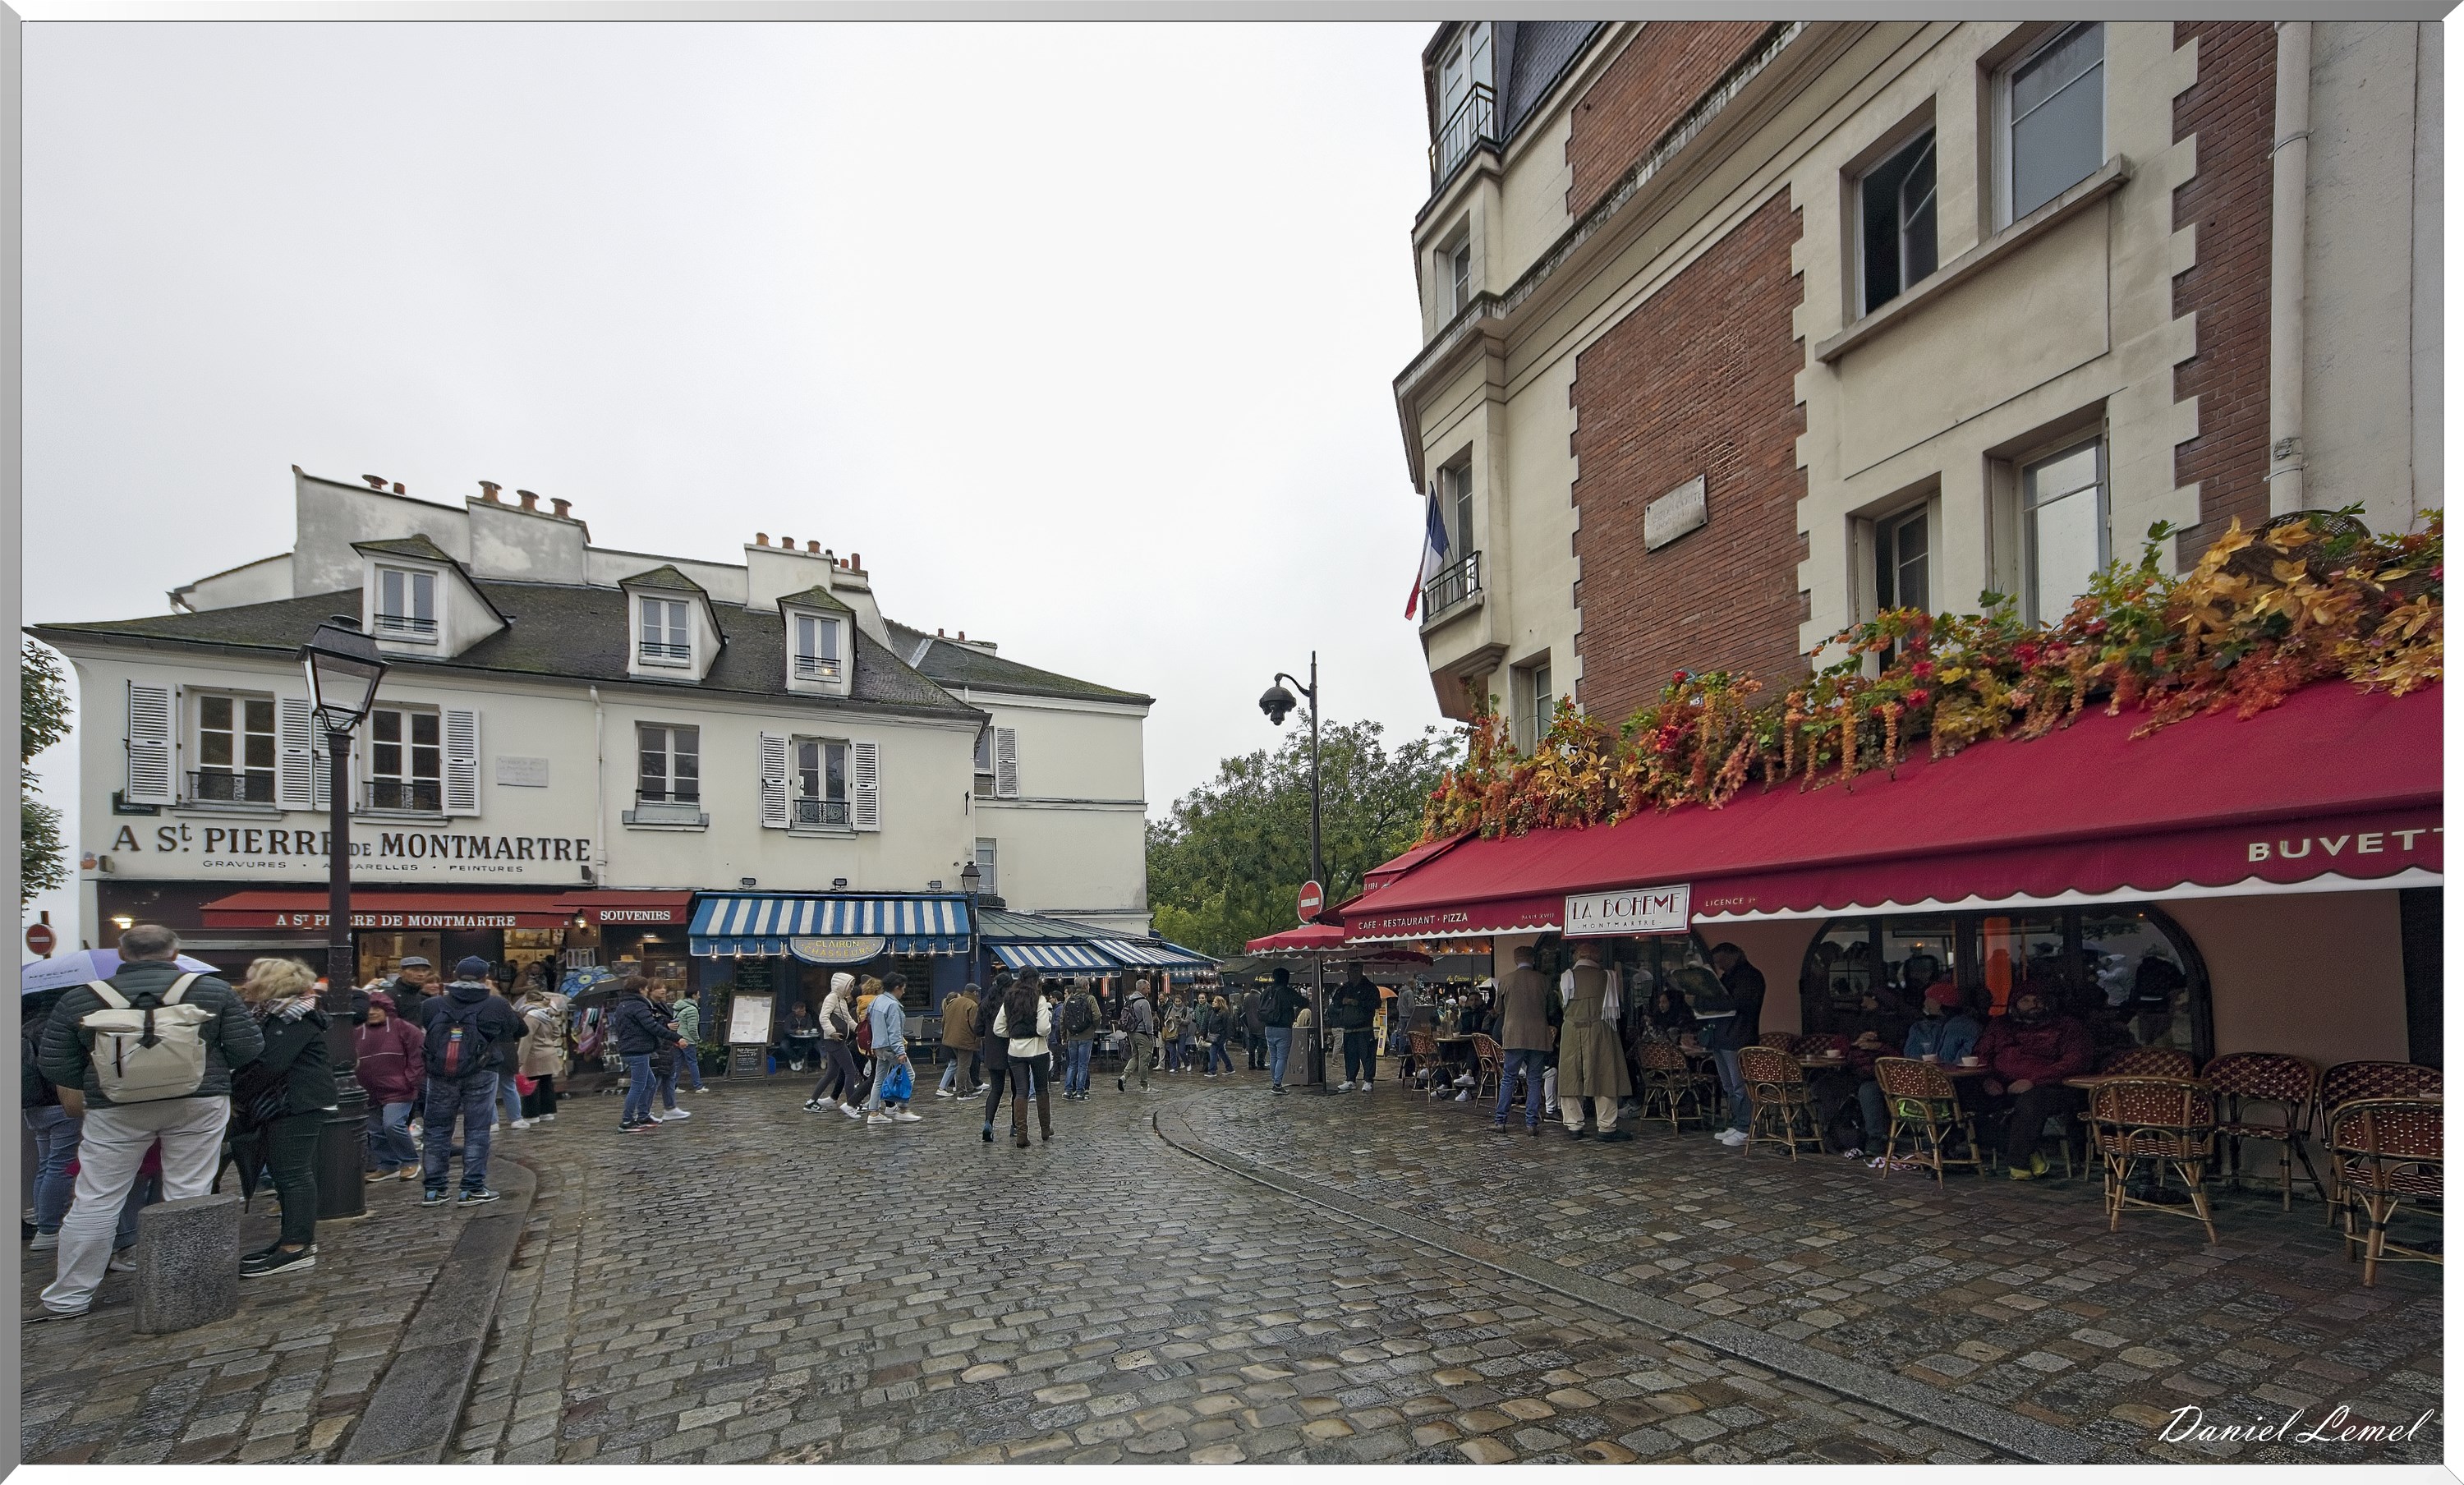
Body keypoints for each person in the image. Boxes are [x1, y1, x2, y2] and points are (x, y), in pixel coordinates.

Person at [35, 924, 263, 1322]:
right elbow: (248, 1047)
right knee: (188, 1192)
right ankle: (186, 1291)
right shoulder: (212, 991)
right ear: (175, 953)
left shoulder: (81, 998)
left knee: (97, 1198)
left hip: (115, 1108)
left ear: (122, 954)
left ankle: (68, 1298)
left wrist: (101, 1081)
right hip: (198, 1100)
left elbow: (55, 1064)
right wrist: (209, 1069)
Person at [228, 958, 337, 1277]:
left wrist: (234, 1090)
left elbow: (270, 1064)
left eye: (252, 977)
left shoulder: (293, 1017)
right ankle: (290, 1240)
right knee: (284, 1173)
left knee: (292, 1174)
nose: (247, 983)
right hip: (286, 1103)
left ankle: (297, 1246)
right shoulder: (276, 1015)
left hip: (296, 1104)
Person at [1972, 987, 2094, 1179]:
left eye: (2038, 1000)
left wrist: (2034, 1080)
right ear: (2015, 1004)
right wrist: (1987, 1080)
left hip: (2051, 1086)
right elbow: (1981, 1054)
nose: (2033, 1005)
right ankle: (2028, 1150)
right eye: (2026, 1000)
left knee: (2031, 1103)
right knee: (1964, 1099)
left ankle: (2019, 1162)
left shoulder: (2066, 1026)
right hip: (2003, 1084)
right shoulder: (2000, 1026)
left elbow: (2075, 1060)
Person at [1555, 943, 1633, 1141]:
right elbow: (1619, 1004)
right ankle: (1607, 1127)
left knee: (1570, 1076)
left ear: (1577, 957)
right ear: (1597, 957)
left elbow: (1562, 1004)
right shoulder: (1608, 977)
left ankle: (1574, 1125)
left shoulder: (1566, 977)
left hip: (1572, 1030)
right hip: (1600, 1029)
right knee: (1605, 1076)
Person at [355, 991, 426, 1181]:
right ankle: (388, 1165)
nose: (372, 1012)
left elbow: (418, 1055)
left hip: (399, 1090)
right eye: (369, 1008)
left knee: (392, 1125)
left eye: (377, 1008)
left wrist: (410, 1080)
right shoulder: (357, 1032)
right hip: (369, 1092)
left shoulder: (404, 1028)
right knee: (376, 1131)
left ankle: (410, 1161)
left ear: (387, 1009)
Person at [1488, 947, 1551, 1134]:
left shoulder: (1506, 980)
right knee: (1534, 1079)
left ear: (1516, 959)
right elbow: (1551, 1008)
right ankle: (1531, 1124)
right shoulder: (1544, 980)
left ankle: (1500, 1121)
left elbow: (1498, 1009)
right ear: (1533, 959)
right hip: (1538, 1035)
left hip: (1514, 1034)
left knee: (1509, 1078)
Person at [993, 970, 1056, 1147]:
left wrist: (1014, 1034)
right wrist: (1040, 1032)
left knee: (1021, 1092)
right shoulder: (1039, 999)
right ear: (1036, 980)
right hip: (1038, 1049)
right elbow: (1043, 1028)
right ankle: (1045, 1129)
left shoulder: (1009, 999)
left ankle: (1021, 1134)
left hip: (1016, 1050)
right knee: (1042, 1089)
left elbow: (998, 1028)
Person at [609, 974, 672, 1134]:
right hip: (637, 1050)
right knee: (638, 1086)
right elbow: (651, 1026)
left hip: (632, 1049)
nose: (647, 991)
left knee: (650, 1082)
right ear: (640, 989)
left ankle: (644, 1115)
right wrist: (675, 1037)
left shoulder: (624, 1005)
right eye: (646, 988)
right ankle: (626, 1121)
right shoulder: (637, 1005)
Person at [862, 972, 921, 1125]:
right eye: (903, 988)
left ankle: (874, 1112)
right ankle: (903, 1109)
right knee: (909, 1075)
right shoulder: (893, 1005)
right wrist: (900, 1052)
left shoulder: (876, 1000)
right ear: (897, 988)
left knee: (879, 1079)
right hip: (891, 1047)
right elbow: (894, 1032)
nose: (904, 991)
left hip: (878, 1045)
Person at [805, 974, 863, 1114]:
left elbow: (848, 1020)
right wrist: (832, 1032)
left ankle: (811, 1102)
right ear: (842, 985)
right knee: (850, 1071)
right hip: (835, 1040)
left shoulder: (841, 1000)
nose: (851, 989)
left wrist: (860, 1030)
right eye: (849, 986)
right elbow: (823, 1017)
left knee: (831, 1073)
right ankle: (851, 1104)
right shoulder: (832, 998)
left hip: (836, 1040)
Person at [517, 982, 568, 1124]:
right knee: (547, 1084)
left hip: (534, 1055)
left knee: (531, 1085)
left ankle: (532, 1114)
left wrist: (520, 1059)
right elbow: (556, 1032)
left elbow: (526, 1039)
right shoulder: (547, 1014)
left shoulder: (530, 1017)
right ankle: (548, 1112)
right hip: (549, 1053)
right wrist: (547, 1041)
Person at [979, 971, 1017, 1138]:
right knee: (1017, 1090)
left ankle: (988, 1123)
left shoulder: (985, 1003)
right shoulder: (1012, 1002)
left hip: (993, 1051)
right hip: (1013, 1049)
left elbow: (978, 1029)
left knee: (996, 1090)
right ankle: (1015, 1125)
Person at [1330, 967, 1380, 1093]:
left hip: (1364, 1028)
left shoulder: (1370, 987)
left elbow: (1376, 1004)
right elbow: (1335, 1002)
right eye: (1350, 971)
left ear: (1360, 971)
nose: (1351, 974)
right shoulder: (1345, 988)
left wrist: (1358, 1003)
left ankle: (1368, 1080)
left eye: (1354, 971)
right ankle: (1350, 1079)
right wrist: (1343, 1001)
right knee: (1350, 1055)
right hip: (1349, 1028)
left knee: (1367, 1055)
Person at [648, 983, 693, 1123]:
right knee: (655, 1079)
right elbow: (649, 1025)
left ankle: (670, 1108)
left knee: (669, 1076)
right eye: (659, 988)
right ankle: (644, 1111)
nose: (663, 990)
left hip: (667, 1045)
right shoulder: (648, 1006)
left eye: (664, 987)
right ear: (650, 991)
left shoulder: (662, 1005)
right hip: (656, 1046)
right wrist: (666, 1026)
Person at [1261, 968, 1303, 1092]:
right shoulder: (1287, 992)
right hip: (1283, 1028)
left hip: (1268, 1027)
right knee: (1282, 1057)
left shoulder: (1266, 992)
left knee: (1273, 1056)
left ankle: (1275, 1081)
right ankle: (1277, 1084)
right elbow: (1303, 1002)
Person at [939, 983, 982, 1098]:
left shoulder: (954, 1002)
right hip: (965, 1040)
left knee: (962, 1064)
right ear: (975, 992)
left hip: (951, 1039)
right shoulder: (972, 1005)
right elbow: (974, 1025)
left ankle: (970, 1088)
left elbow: (944, 1021)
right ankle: (961, 1092)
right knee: (964, 1066)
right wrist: (979, 1037)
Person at [1115, 977, 1157, 1095]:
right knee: (1144, 1059)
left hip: (1131, 1033)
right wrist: (1151, 1036)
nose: (1149, 989)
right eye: (1148, 987)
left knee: (1135, 1056)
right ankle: (1144, 1085)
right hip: (1142, 1034)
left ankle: (1124, 1077)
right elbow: (1148, 1022)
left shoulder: (1129, 1001)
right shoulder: (1144, 1003)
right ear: (1143, 988)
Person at [1060, 979, 1101, 1100]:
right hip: (1086, 1036)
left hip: (1072, 1036)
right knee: (1083, 1065)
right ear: (1086, 986)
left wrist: (1064, 1036)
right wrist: (1093, 1027)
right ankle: (1080, 1092)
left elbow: (1062, 1019)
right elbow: (1097, 1015)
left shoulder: (1068, 1000)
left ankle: (1068, 1091)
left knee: (1072, 1064)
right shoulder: (1090, 999)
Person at [384, 955, 438, 1032]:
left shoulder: (424, 997)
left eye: (425, 970)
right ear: (401, 973)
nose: (421, 974)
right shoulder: (389, 996)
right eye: (415, 970)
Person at [670, 988, 706, 1097]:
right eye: (698, 994)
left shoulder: (679, 1006)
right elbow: (692, 1028)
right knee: (692, 1062)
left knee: (678, 1063)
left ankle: (673, 1086)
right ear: (694, 995)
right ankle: (698, 1086)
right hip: (687, 1039)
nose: (699, 997)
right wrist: (697, 1039)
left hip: (677, 1037)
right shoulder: (692, 1009)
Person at [783, 1003, 824, 1074]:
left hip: (804, 1039)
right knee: (784, 1045)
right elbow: (786, 1030)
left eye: (805, 1010)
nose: (805, 1012)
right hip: (791, 1038)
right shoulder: (789, 1017)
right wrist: (795, 1031)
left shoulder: (808, 1016)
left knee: (810, 1044)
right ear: (796, 1012)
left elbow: (809, 1027)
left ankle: (796, 1060)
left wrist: (801, 1031)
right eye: (802, 1011)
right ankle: (797, 1060)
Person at [1204, 993, 1235, 1077]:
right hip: (1214, 1035)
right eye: (1213, 1001)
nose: (1213, 1003)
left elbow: (1228, 1025)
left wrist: (1229, 1038)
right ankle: (1230, 1068)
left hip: (1220, 1036)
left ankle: (1212, 1070)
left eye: (1215, 1002)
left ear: (1220, 1003)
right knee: (1221, 1052)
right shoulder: (1213, 1012)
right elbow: (1208, 1023)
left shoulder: (1224, 1013)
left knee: (1213, 1051)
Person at [1241, 983, 1266, 1069]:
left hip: (1250, 1026)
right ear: (1261, 988)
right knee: (1262, 1046)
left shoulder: (1247, 998)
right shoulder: (1261, 998)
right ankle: (1261, 1063)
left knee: (1252, 1046)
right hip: (1261, 1026)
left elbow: (1243, 1012)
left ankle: (1251, 1063)